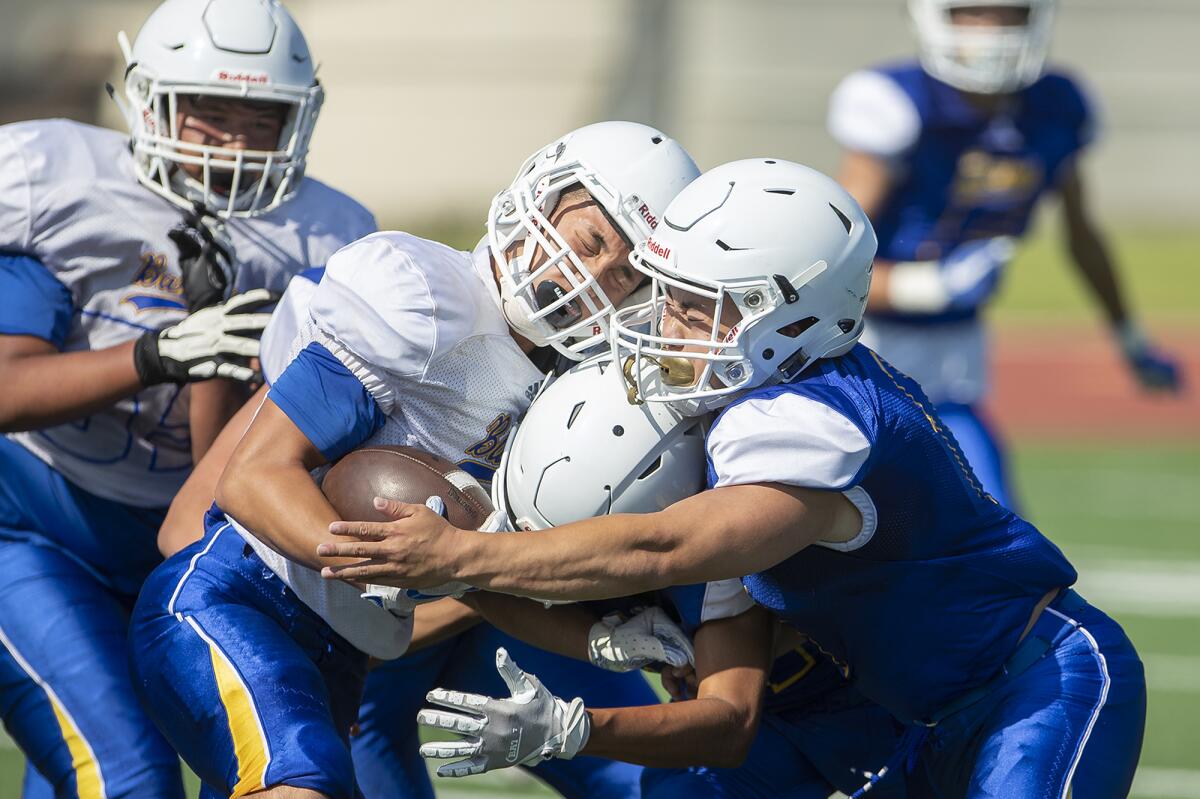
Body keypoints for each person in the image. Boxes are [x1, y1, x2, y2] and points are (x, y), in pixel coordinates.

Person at [319, 159, 1147, 798]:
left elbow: (663, 547)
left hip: (1036, 684)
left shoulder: (809, 416)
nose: (666, 322)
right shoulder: (759, 394)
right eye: (670, 291)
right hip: (928, 711)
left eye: (702, 303)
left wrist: (460, 559)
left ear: (795, 312)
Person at [128, 121, 700, 799]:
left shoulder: (577, 383)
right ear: (541, 198)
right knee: (303, 780)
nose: (595, 276)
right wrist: (384, 561)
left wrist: (598, 640)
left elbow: (474, 575)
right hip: (238, 598)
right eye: (591, 240)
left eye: (627, 270)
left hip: (343, 655)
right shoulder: (427, 300)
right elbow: (252, 479)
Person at [0, 0, 374, 795]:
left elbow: (223, 469)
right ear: (148, 99)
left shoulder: (329, 239)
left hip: (179, 539)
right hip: (29, 524)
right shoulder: (53, 181)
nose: (234, 140)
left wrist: (214, 345)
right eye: (210, 111)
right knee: (127, 773)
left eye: (260, 116)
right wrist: (155, 351)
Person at [418, 355, 904, 798]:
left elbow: (728, 722)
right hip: (751, 713)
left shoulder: (720, 542)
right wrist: (600, 640)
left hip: (861, 694)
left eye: (575, 546)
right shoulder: (554, 461)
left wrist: (570, 729)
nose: (552, 555)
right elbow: (486, 592)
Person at [825, 0, 1180, 508]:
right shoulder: (895, 103)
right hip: (857, 360)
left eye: (1007, 12)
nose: (991, 31)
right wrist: (928, 287)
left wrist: (1130, 339)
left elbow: (1082, 235)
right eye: (973, 13)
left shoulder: (1058, 106)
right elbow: (829, 262)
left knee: (999, 531)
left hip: (956, 366)